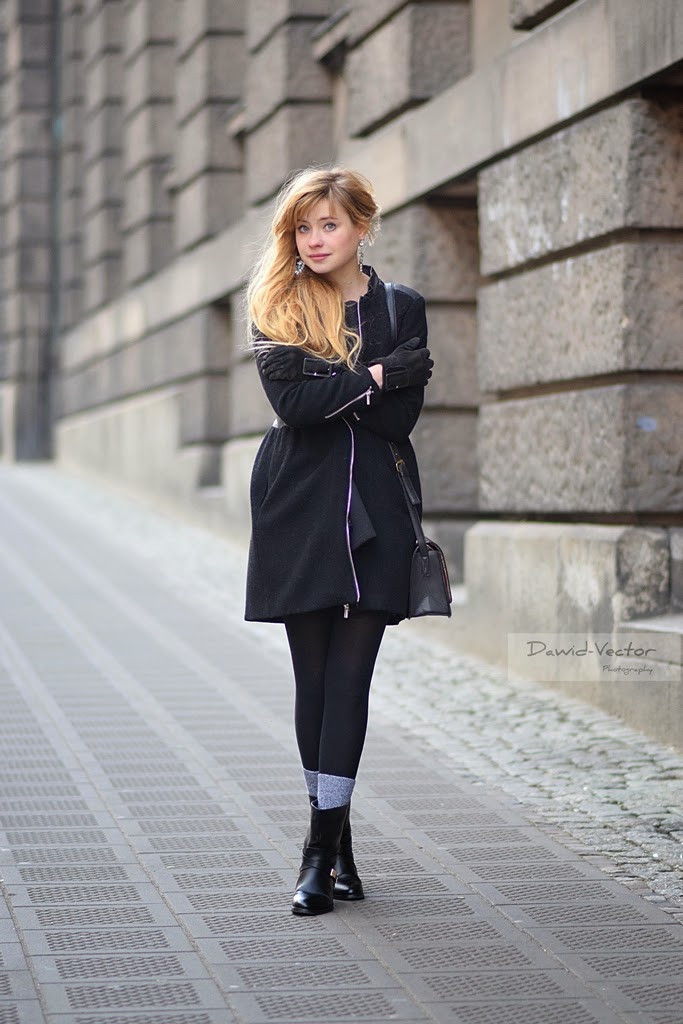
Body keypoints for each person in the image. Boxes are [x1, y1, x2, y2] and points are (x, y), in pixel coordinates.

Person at [244, 166, 433, 916]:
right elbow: (294, 407)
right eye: (303, 227)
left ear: (361, 226)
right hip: (297, 501)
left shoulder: (400, 305)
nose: (315, 240)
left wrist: (344, 387)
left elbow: (397, 422)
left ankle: (318, 856)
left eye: (329, 224)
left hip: (377, 506)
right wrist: (378, 373)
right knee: (314, 681)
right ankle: (338, 845)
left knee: (350, 681)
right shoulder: (278, 303)